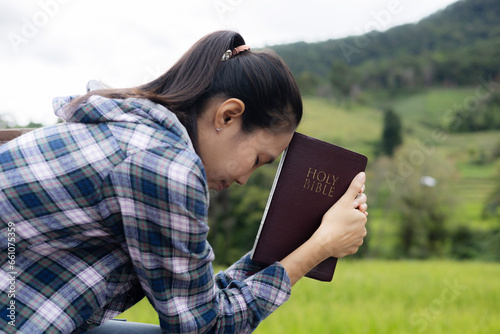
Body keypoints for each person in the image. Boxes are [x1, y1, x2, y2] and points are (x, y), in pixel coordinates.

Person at [0, 30, 368, 333]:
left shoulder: (140, 131)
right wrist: (317, 248)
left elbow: (199, 302)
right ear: (228, 115)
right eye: (258, 160)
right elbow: (202, 328)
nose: (244, 179)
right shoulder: (164, 166)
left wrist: (294, 247)